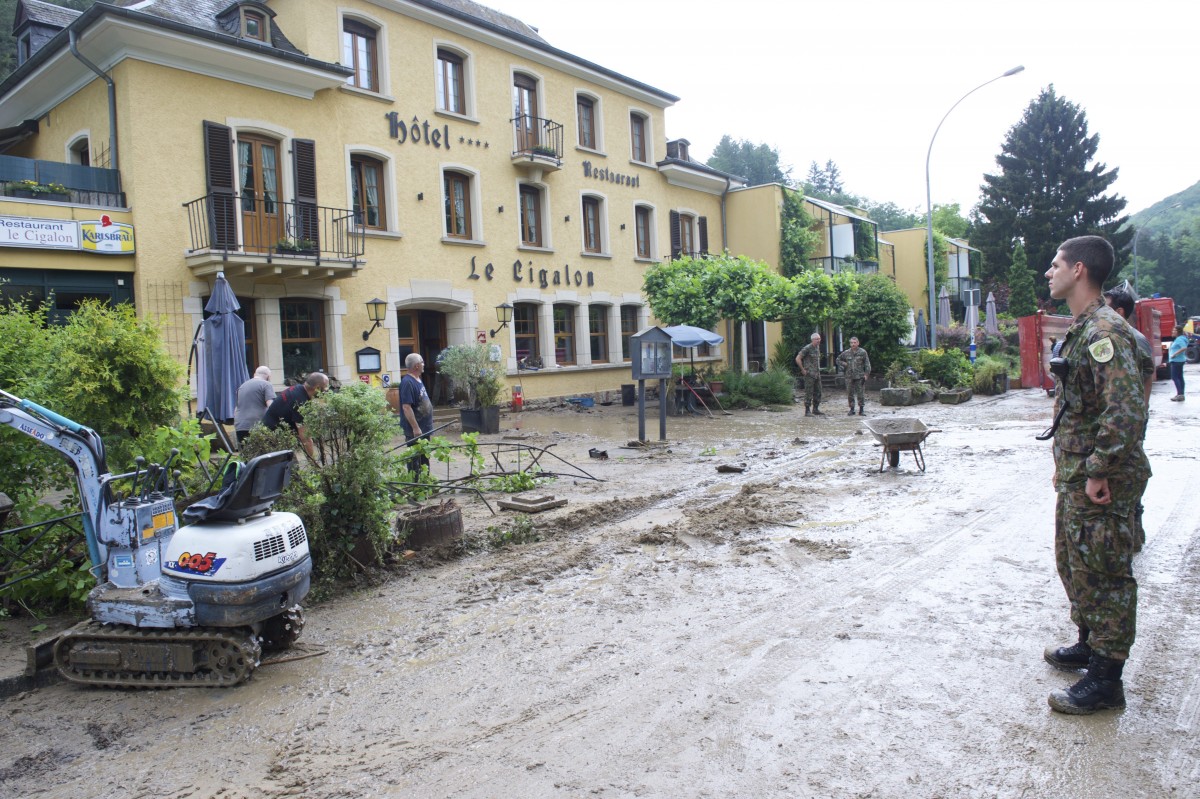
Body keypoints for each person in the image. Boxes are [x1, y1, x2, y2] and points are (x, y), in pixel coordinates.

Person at [1041, 235, 1150, 715]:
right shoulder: (1084, 327)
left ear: (1079, 270)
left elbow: (1124, 411)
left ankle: (1106, 680)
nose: (1049, 272)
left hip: (1101, 478)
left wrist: (1099, 470)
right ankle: (1089, 641)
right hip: (1079, 473)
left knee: (1104, 569)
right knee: (1075, 561)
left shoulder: (1106, 331)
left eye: (1055, 264)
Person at [1102, 286, 1156, 553]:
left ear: (1119, 312)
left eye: (1106, 306)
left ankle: (1132, 531)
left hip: (1129, 422)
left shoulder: (1133, 338)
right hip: (1125, 419)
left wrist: (1139, 413)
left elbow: (1147, 376)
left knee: (1126, 475)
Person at [261, 371, 329, 458]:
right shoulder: (301, 403)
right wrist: (314, 462)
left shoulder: (298, 389)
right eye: (326, 387)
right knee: (290, 468)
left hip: (271, 436)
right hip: (273, 440)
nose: (327, 390)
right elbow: (305, 438)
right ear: (317, 388)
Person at [398, 353, 434, 473]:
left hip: (424, 427)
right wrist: (416, 428)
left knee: (424, 458)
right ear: (417, 366)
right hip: (416, 430)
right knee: (415, 459)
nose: (424, 364)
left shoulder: (418, 379)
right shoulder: (407, 382)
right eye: (422, 362)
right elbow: (406, 408)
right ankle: (415, 484)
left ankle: (425, 483)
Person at [233, 366, 275, 445]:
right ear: (268, 376)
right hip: (257, 425)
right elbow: (271, 406)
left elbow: (236, 408)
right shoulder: (266, 384)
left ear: (254, 374)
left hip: (240, 426)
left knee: (246, 455)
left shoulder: (242, 386)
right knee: (263, 454)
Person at [835, 336, 872, 416]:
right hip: (849, 376)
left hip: (859, 377)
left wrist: (866, 374)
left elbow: (867, 364)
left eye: (855, 343)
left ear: (858, 343)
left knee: (860, 393)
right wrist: (844, 364)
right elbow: (838, 360)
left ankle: (861, 410)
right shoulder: (846, 352)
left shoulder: (862, 352)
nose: (853, 344)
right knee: (850, 393)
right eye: (851, 343)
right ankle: (852, 409)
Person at [795, 332, 824, 416]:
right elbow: (798, 358)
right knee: (809, 392)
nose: (818, 340)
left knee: (818, 391)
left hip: (817, 374)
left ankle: (815, 409)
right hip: (809, 374)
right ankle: (807, 410)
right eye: (817, 339)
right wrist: (802, 369)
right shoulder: (807, 348)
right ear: (812, 340)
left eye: (819, 339)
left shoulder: (817, 348)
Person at [1168, 324, 1188, 401]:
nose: (1173, 331)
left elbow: (1184, 347)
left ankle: (1179, 394)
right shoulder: (1180, 339)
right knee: (1180, 377)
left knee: (1174, 377)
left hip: (1176, 361)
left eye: (1174, 330)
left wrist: (1174, 354)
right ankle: (1181, 394)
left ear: (1179, 332)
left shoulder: (1179, 339)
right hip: (1179, 360)